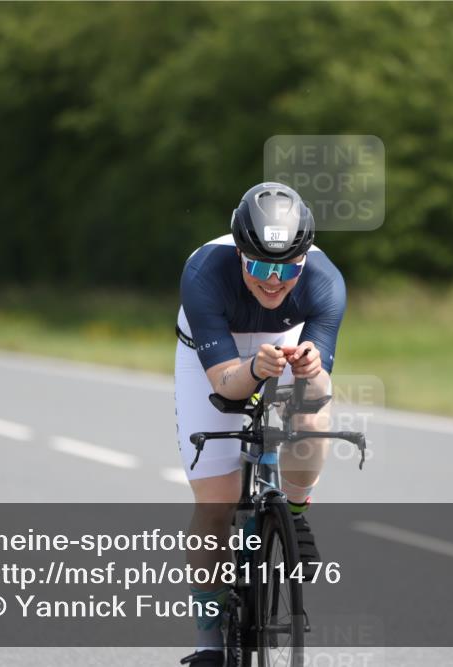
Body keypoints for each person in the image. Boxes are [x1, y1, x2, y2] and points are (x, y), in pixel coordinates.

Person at [175, 183, 346, 666]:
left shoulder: (325, 281)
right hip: (213, 354)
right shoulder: (204, 271)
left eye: (288, 268)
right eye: (260, 266)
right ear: (240, 254)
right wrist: (254, 372)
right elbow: (227, 384)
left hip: (284, 339)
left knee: (312, 417)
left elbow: (318, 393)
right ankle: (209, 644)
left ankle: (292, 512)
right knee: (215, 504)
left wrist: (311, 373)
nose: (274, 281)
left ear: (305, 260)